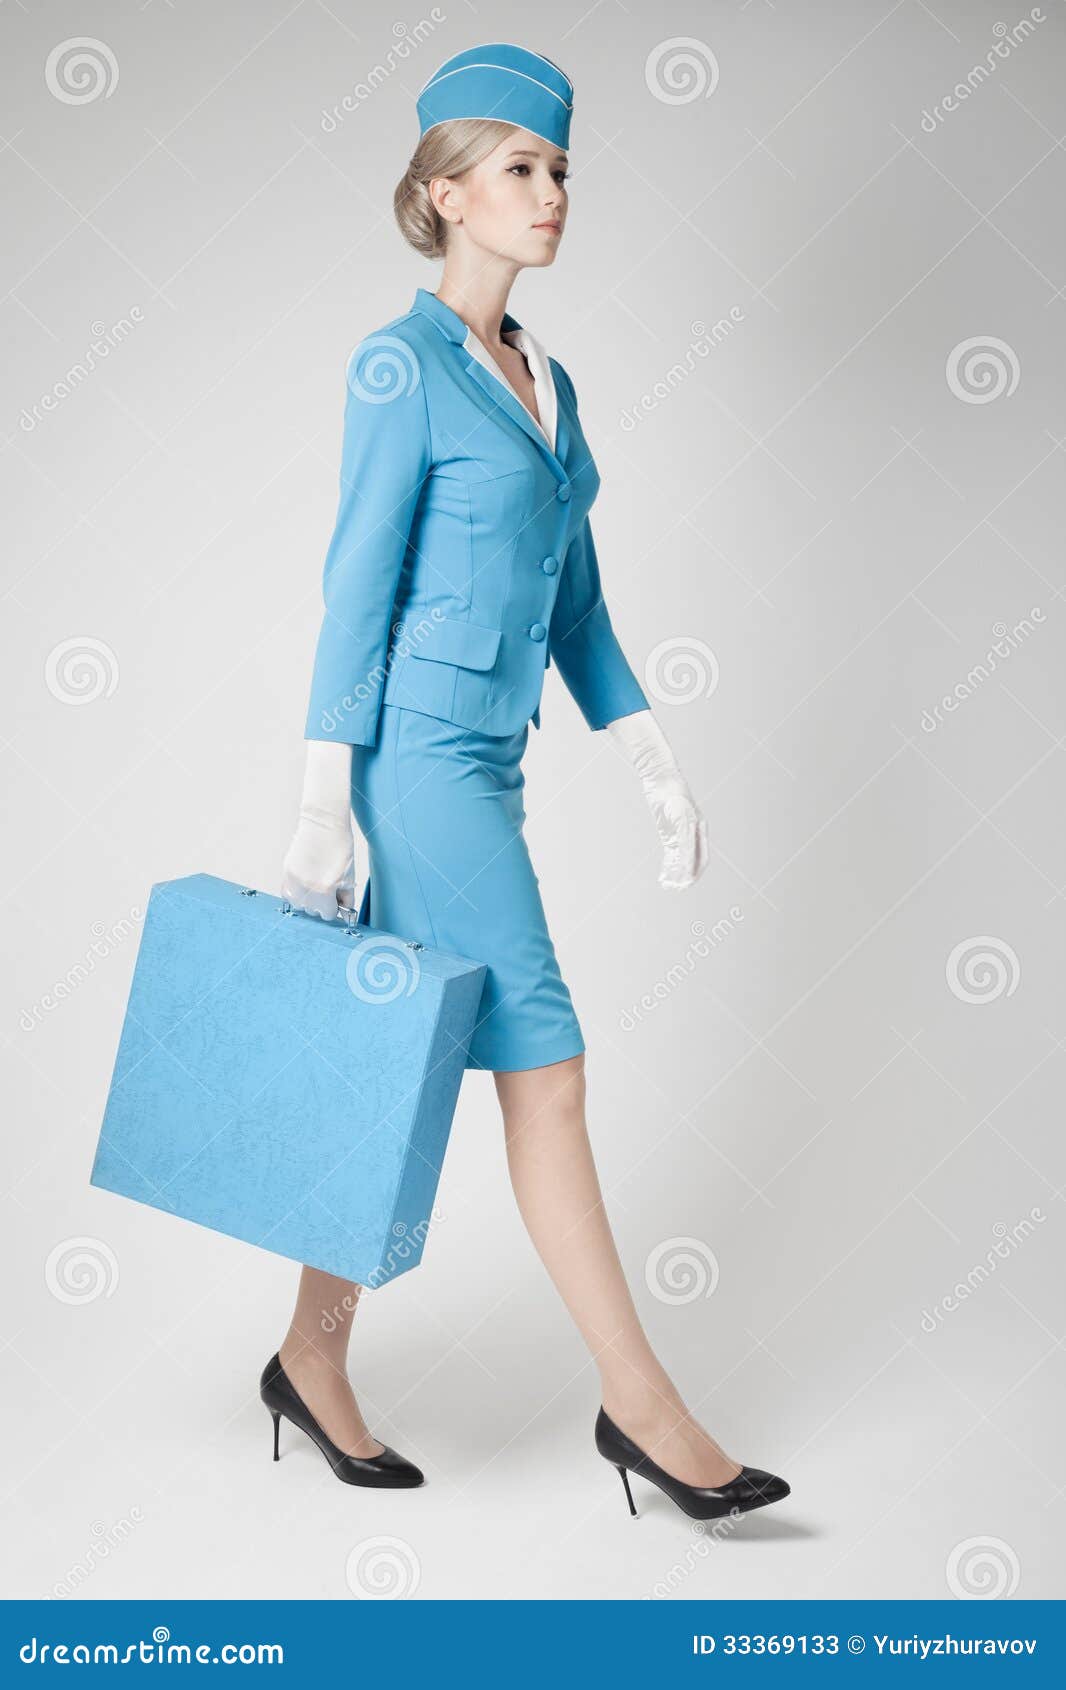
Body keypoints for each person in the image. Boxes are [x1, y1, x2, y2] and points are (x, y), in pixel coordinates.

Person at [262, 43, 789, 1522]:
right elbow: (352, 593)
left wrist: (651, 757)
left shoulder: (546, 379)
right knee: (542, 1073)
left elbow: (576, 609)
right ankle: (644, 1408)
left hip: (493, 759)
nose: (549, 192)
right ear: (444, 197)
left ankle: (309, 1360)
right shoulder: (400, 365)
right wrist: (323, 797)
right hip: (416, 766)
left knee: (404, 1069)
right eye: (518, 169)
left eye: (559, 169)